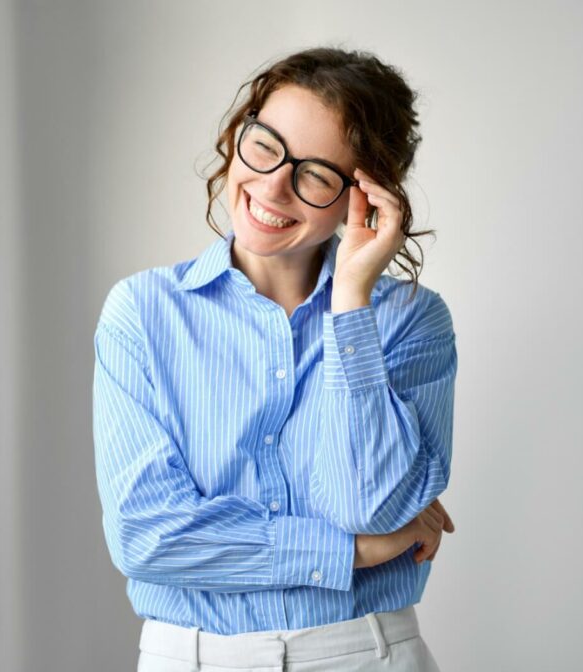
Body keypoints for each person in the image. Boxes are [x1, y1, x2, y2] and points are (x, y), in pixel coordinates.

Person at [93, 47, 458, 671]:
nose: (272, 185)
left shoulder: (408, 322)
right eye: (264, 145)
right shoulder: (142, 314)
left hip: (364, 655)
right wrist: (355, 553)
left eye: (315, 174)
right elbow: (149, 538)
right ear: (240, 133)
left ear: (362, 196)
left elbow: (374, 504)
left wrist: (351, 305)